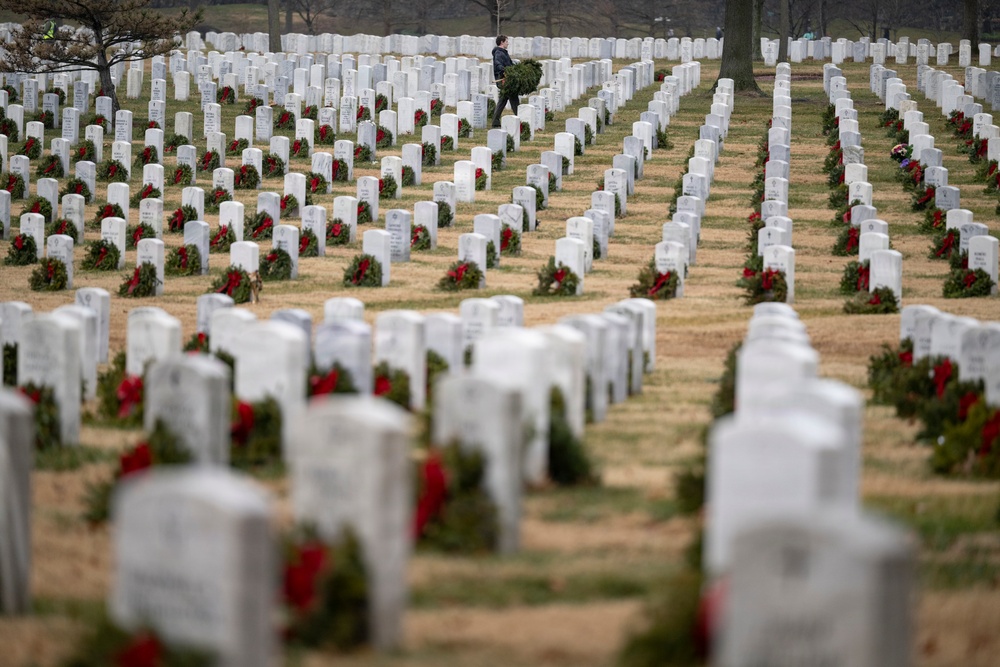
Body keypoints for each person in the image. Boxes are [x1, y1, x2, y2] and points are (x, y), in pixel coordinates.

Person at [490, 35, 517, 129]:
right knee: (513, 99)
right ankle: (521, 119)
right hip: (504, 80)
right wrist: (506, 72)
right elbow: (498, 65)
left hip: (507, 79)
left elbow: (509, 64)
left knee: (503, 100)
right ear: (501, 42)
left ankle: (495, 122)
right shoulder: (498, 53)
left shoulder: (503, 52)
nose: (508, 43)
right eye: (506, 41)